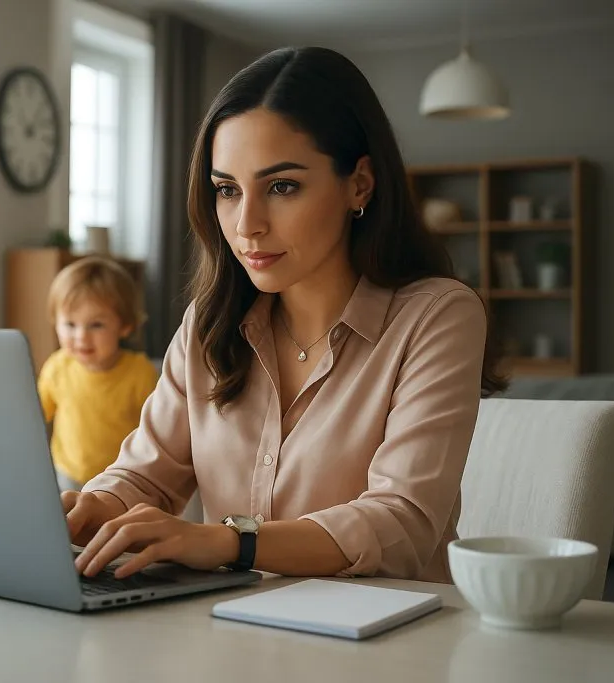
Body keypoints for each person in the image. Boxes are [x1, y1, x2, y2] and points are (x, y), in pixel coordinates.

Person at [64, 47, 506, 583]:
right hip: (227, 635)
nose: (247, 224)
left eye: (281, 187)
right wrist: (94, 508)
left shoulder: (438, 317)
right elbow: (145, 476)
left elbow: (403, 523)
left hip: (390, 643)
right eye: (227, 190)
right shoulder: (208, 323)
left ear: (359, 184)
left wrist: (228, 542)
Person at [38, 256, 158, 491]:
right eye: (70, 324)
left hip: (121, 476)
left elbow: (155, 431)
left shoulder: (139, 372)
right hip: (67, 473)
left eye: (96, 325)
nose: (81, 336)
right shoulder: (57, 367)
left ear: (124, 326)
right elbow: (35, 416)